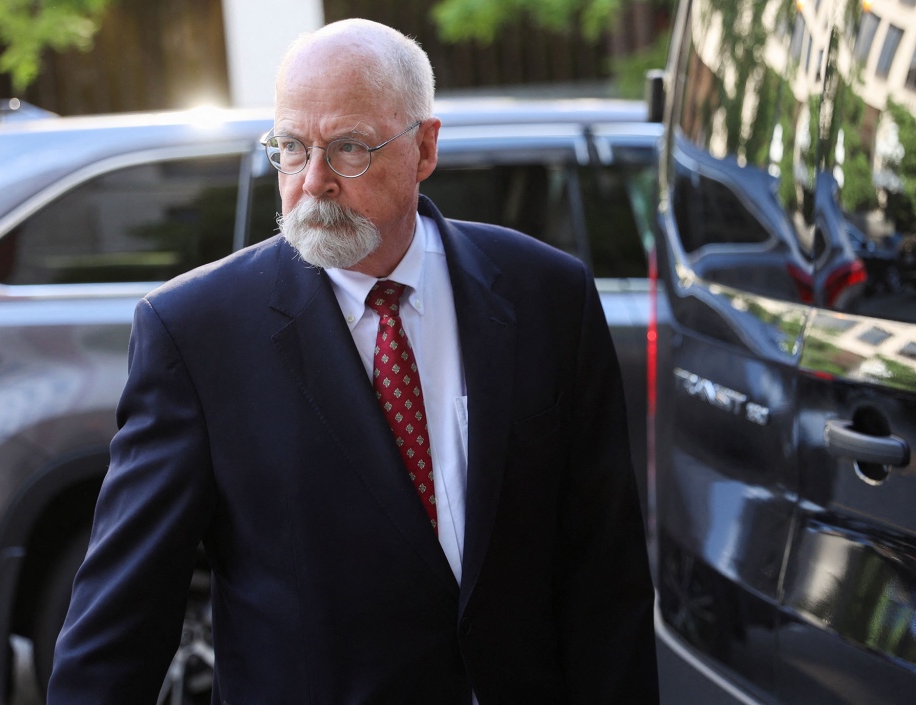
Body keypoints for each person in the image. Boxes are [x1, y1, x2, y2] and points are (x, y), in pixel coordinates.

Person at [47, 18, 658, 705]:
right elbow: (119, 622)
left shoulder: (549, 295)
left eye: (348, 149)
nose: (313, 182)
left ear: (424, 147)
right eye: (291, 148)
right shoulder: (195, 332)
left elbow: (606, 577)